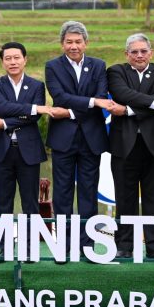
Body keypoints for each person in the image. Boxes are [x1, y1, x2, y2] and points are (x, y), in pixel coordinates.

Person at [45, 20, 116, 261]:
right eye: (69, 42)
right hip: (63, 137)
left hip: (91, 138)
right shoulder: (52, 66)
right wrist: (91, 104)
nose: (73, 46)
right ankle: (63, 246)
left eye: (78, 41)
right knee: (62, 193)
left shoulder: (98, 65)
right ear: (62, 43)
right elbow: (59, 96)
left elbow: (100, 95)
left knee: (88, 192)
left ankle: (87, 246)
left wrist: (84, 105)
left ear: (86, 43)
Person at [107, 33, 154, 259]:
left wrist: (128, 109)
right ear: (126, 54)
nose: (139, 55)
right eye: (134, 52)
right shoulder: (116, 71)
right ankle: (124, 246)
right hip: (124, 145)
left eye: (143, 51)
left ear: (151, 53)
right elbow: (122, 93)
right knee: (124, 197)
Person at [0, 41, 59, 262]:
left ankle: (29, 248)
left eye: (16, 57)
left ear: (25, 59)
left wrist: (7, 122)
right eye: (8, 58)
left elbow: (33, 118)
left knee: (30, 203)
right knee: (3, 202)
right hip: (3, 151)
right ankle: (4, 247)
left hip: (28, 150)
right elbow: (2, 107)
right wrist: (33, 109)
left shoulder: (36, 85)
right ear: (2, 62)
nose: (13, 62)